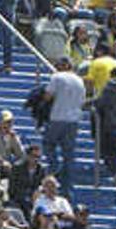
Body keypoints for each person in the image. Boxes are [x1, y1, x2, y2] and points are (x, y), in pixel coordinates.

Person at [44, 57, 86, 192]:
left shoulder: (57, 77)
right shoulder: (79, 80)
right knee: (68, 153)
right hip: (73, 120)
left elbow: (48, 96)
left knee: (48, 144)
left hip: (58, 117)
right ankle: (66, 183)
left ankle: (54, 168)